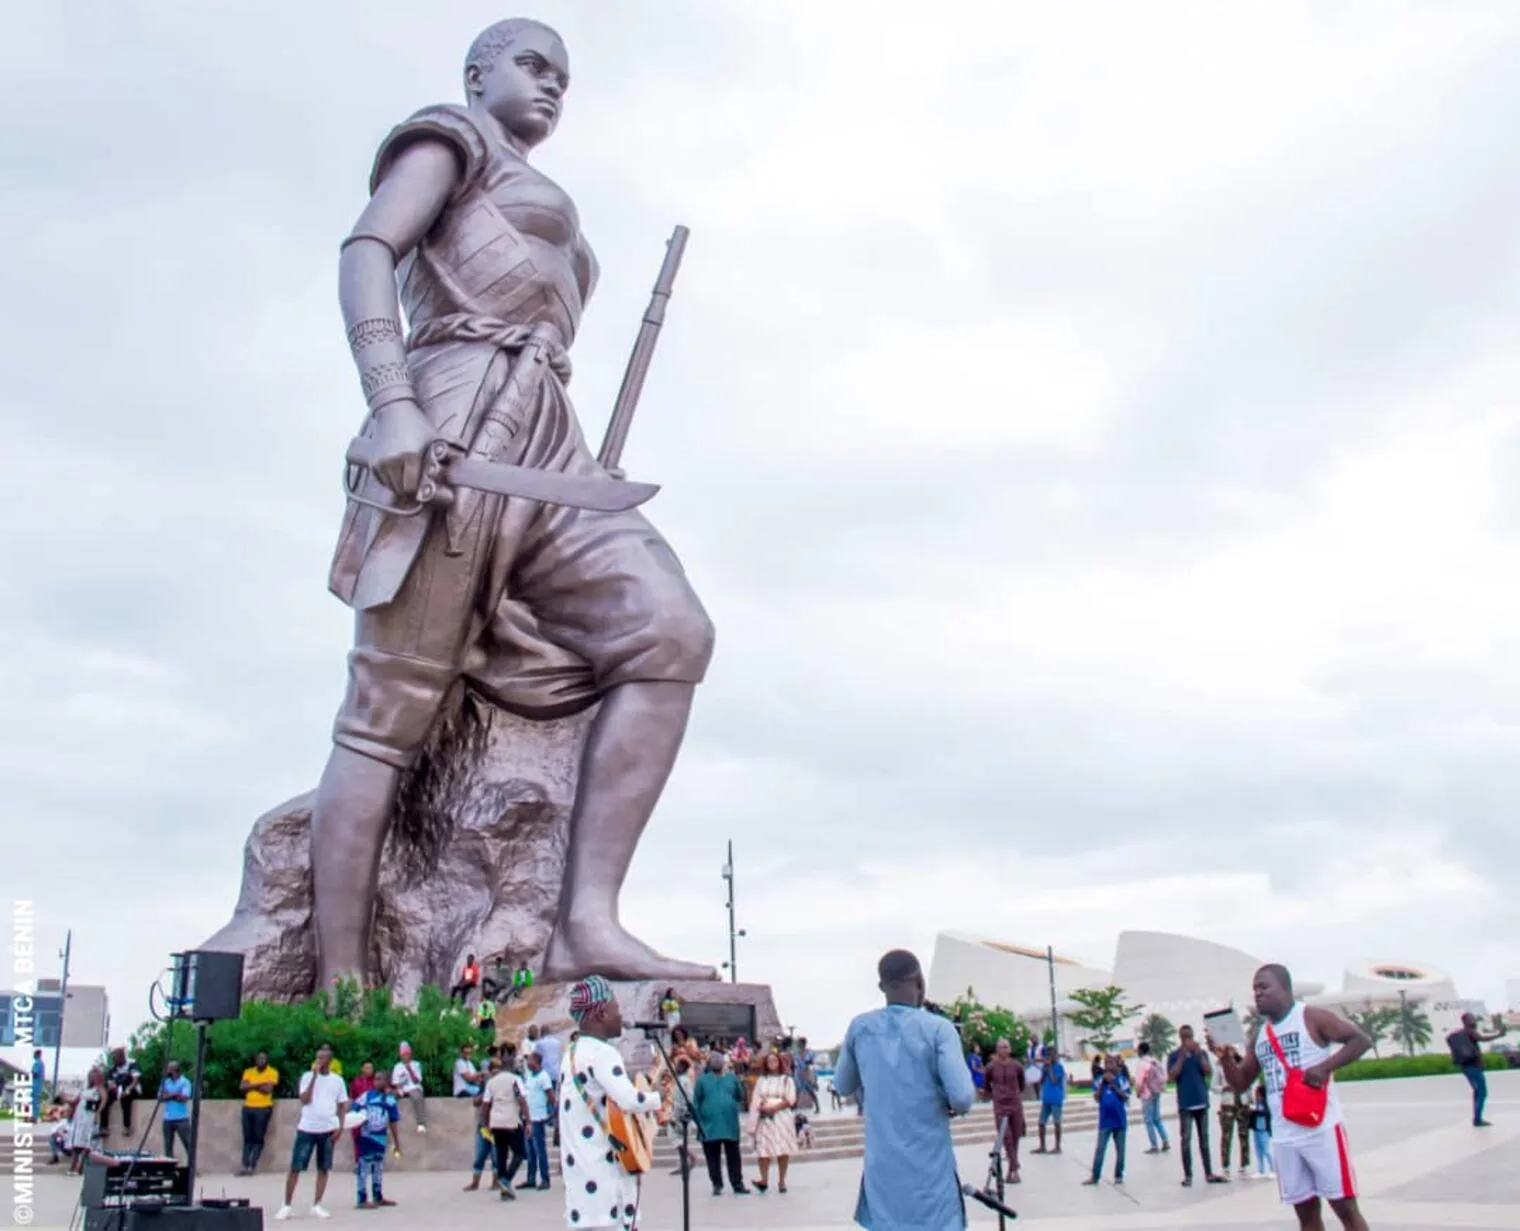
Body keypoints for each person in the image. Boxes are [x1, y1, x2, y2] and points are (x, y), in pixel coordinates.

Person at [308, 14, 716, 994]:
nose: (549, 89)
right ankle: (338, 982)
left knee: (669, 630)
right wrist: (390, 401)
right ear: (477, 72)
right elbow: (366, 248)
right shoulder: (446, 134)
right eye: (531, 67)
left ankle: (585, 921)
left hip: (551, 439)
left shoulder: (555, 200)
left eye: (563, 79)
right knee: (385, 711)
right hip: (455, 417)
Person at [1215, 964, 1373, 1231]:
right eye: (1255, 989)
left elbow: (1360, 1040)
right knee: (1306, 1216)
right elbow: (1241, 1083)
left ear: (1285, 989)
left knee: (1345, 1209)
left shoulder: (1311, 1017)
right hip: (1285, 1136)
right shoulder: (1260, 1035)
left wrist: (1325, 1067)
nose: (1258, 994)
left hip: (1321, 1129)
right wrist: (1226, 1058)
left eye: (1264, 987)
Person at [833, 949, 977, 1231]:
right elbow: (962, 1098)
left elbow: (842, 1085)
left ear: (881, 986)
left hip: (882, 1175)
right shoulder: (939, 1030)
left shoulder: (860, 1028)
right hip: (930, 1175)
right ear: (920, 982)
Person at [558, 975, 663, 1228]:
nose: (621, 1015)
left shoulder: (572, 1052)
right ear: (601, 1013)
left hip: (581, 1177)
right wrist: (659, 1098)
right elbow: (629, 1100)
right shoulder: (603, 1053)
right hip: (605, 1178)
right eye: (616, 1009)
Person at [276, 1042, 349, 1221]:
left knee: (323, 1168)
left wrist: (340, 1126)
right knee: (296, 1167)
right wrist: (314, 1078)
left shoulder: (337, 1081)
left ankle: (317, 1204)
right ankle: (286, 1205)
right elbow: (304, 1100)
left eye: (323, 1058)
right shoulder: (307, 1077)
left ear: (330, 1061)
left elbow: (342, 1105)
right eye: (318, 1058)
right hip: (307, 1128)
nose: (319, 1061)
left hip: (328, 1129)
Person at [1167, 1025, 1225, 1187]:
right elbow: (1171, 1077)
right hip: (1185, 1104)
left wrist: (1199, 1054)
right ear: (1180, 1038)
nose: (1188, 1040)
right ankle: (1188, 1175)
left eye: (1189, 1037)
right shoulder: (1174, 1055)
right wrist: (1182, 1058)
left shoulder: (1201, 1053)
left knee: (1204, 1140)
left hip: (1201, 1101)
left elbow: (1208, 1071)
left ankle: (1208, 1172)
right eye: (1185, 1037)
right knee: (1186, 1140)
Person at [693, 1051, 750, 1195]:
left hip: (729, 1123)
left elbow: (740, 1095)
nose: (717, 1063)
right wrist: (698, 1121)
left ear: (724, 1064)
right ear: (709, 1064)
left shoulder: (731, 1078)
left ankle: (737, 1184)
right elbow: (696, 1101)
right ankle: (716, 1184)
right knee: (712, 1157)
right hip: (708, 1125)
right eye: (714, 1060)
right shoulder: (702, 1081)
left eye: (720, 1060)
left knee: (734, 1156)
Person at [481, 1055, 530, 1200]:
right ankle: (506, 1180)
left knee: (501, 1155)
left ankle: (504, 1190)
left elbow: (485, 1105)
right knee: (520, 1153)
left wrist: (486, 1123)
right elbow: (521, 1100)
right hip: (511, 1120)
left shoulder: (492, 1082)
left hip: (496, 1121)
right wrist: (528, 1121)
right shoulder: (515, 1079)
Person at [749, 1050, 798, 1194]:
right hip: (765, 1117)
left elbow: (790, 1099)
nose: (772, 1063)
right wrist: (762, 1106)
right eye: (769, 1061)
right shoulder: (762, 1080)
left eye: (774, 1061)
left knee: (782, 1149)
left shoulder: (786, 1079)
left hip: (781, 1117)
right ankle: (764, 1180)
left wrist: (775, 1108)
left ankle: (782, 1180)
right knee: (763, 1150)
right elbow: (756, 1097)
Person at [1446, 1011, 1505, 1127]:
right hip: (1473, 1067)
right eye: (1472, 1019)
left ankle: (1477, 1117)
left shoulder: (1463, 1033)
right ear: (1466, 1021)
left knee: (1477, 1092)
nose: (1475, 1021)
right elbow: (1483, 1039)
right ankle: (1477, 1119)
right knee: (1482, 1092)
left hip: (1466, 1067)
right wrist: (1499, 1035)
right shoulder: (1470, 1032)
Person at [351, 1070, 401, 1208]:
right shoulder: (366, 1096)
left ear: (387, 1082)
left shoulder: (390, 1100)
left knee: (378, 1167)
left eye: (380, 1079)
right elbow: (353, 1109)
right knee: (364, 1167)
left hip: (381, 1138)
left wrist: (396, 1142)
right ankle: (361, 1198)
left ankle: (378, 1196)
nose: (376, 1081)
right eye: (375, 1079)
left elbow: (393, 1122)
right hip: (366, 1137)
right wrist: (359, 1119)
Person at [1082, 1054, 1131, 1186]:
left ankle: (1118, 1175)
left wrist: (1114, 1085)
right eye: (1106, 1063)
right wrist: (1104, 1084)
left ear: (1116, 1065)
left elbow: (1125, 1097)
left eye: (1111, 1063)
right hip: (1105, 1121)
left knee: (1120, 1151)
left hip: (1120, 1121)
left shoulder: (1122, 1079)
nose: (1108, 1066)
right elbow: (1096, 1098)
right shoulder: (1099, 1080)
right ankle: (1095, 1176)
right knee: (1100, 1149)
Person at [983, 1037, 1026, 1184]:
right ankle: (1015, 1167)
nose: (1005, 1050)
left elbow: (1022, 1084)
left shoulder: (1017, 1066)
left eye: (1007, 1047)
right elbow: (986, 1085)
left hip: (1015, 1103)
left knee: (1015, 1137)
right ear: (997, 1049)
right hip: (1000, 1105)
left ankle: (1011, 1170)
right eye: (1002, 1047)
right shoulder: (990, 1067)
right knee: (1006, 1136)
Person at [238, 1050, 280, 1175]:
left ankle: (252, 1165)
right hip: (248, 1107)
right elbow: (242, 1088)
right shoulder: (248, 1072)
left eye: (263, 1059)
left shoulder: (272, 1072)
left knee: (258, 1137)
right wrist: (261, 1083)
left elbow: (268, 1090)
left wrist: (251, 1085)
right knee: (247, 1138)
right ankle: (245, 1166)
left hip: (263, 1108)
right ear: (255, 1060)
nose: (261, 1061)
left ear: (267, 1061)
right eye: (259, 1058)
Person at [519, 1050, 555, 1190]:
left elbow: (550, 1096)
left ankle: (545, 1178)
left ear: (537, 1062)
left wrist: (552, 1114)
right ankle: (531, 1178)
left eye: (530, 1060)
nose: (528, 1063)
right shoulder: (529, 1077)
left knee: (540, 1150)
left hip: (538, 1117)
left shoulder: (543, 1076)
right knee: (530, 1151)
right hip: (528, 1118)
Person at [1215, 1044, 1252, 1176]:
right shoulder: (1219, 1066)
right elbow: (1213, 1086)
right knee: (1226, 1135)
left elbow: (1248, 1083)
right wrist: (1224, 1088)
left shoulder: (1242, 1064)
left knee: (1244, 1135)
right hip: (1228, 1102)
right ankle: (1225, 1166)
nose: (1230, 1052)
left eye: (1232, 1049)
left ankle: (1245, 1165)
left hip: (1242, 1102)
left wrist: (1250, 1099)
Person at [1132, 1041, 1169, 1154]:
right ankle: (1165, 1140)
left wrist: (1138, 1093)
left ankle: (1154, 1145)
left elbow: (1139, 1081)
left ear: (1140, 1051)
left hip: (1147, 1094)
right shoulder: (1155, 1061)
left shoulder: (1141, 1064)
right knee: (1157, 1118)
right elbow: (1164, 1077)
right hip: (1157, 1091)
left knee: (1148, 1120)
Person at [158, 1060, 193, 1162]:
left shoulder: (185, 1082)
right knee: (168, 1145)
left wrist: (169, 1095)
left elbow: (184, 1098)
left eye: (168, 1068)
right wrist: (175, 1094)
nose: (166, 1071)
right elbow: (160, 1098)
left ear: (174, 1070)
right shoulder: (166, 1082)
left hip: (181, 1118)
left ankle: (192, 1167)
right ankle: (170, 1167)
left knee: (188, 1143)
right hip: (167, 1118)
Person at [1033, 1050, 1067, 1154]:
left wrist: (1050, 1068)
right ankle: (1042, 1146)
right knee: (1041, 1122)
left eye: (1052, 1055)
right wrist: (1044, 1070)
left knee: (1057, 1123)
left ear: (1055, 1056)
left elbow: (1055, 1080)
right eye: (1048, 1055)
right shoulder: (1045, 1067)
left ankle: (1057, 1146)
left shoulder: (1059, 1067)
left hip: (1056, 1098)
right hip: (1046, 1099)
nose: (1049, 1057)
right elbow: (1041, 1081)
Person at [390, 1042, 427, 1132]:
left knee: (417, 1098)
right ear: (401, 1055)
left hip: (414, 1087)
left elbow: (417, 1080)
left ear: (410, 1054)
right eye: (404, 1054)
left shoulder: (416, 1064)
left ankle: (421, 1123)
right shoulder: (397, 1067)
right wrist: (399, 1089)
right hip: (402, 1088)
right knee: (389, 1098)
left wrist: (410, 1070)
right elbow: (395, 1082)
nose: (406, 1056)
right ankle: (389, 1123)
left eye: (407, 1054)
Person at [105, 1047, 141, 1136]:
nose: (114, 1061)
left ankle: (127, 1127)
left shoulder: (132, 1064)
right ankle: (104, 1127)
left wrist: (127, 1090)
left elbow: (135, 1080)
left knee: (125, 1099)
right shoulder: (113, 1069)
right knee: (105, 1100)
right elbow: (111, 1084)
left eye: (116, 1059)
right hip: (118, 1090)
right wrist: (113, 1089)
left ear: (122, 1058)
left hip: (132, 1088)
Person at [1251, 1082, 1276, 1179]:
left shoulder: (1266, 1104)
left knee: (1266, 1150)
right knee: (1258, 1150)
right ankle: (1260, 1170)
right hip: (1256, 1129)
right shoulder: (1256, 1103)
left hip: (1264, 1130)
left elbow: (1266, 1113)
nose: (1257, 1096)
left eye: (1258, 1094)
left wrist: (1256, 1110)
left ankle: (1273, 1169)